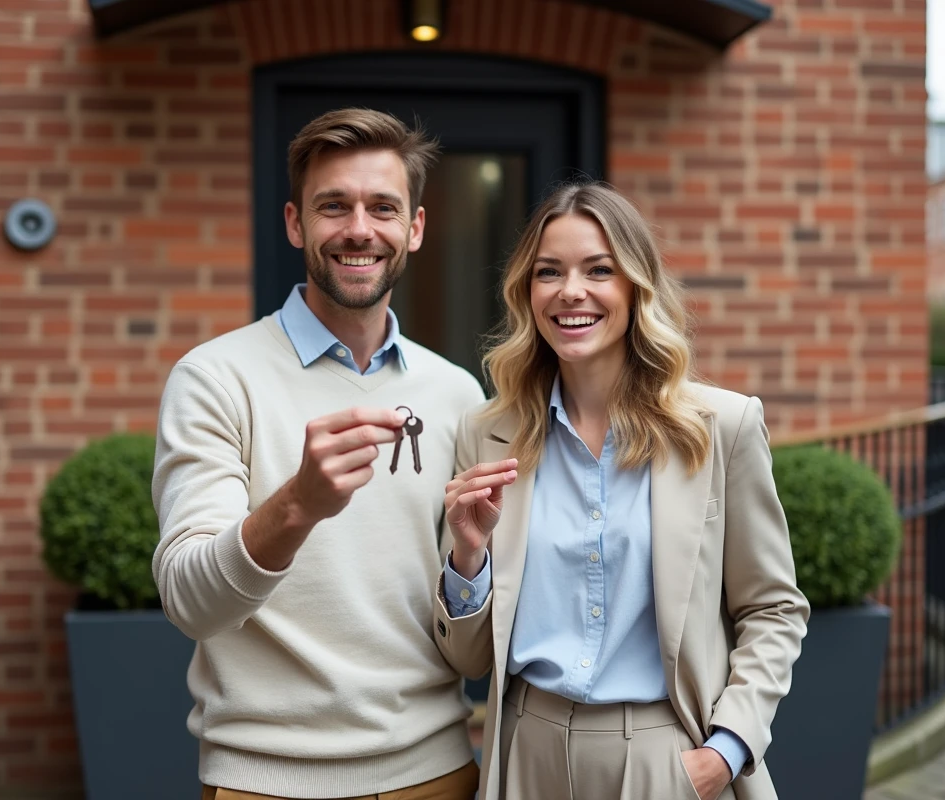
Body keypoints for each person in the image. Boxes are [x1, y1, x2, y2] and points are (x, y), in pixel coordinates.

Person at [431, 182, 810, 800]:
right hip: (526, 755)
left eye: (598, 270)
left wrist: (726, 750)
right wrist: (468, 557)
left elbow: (774, 608)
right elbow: (470, 661)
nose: (570, 291)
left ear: (637, 287)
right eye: (548, 272)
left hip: (667, 757)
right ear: (528, 294)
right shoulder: (488, 435)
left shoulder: (722, 428)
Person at [152, 108, 485, 800]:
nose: (359, 229)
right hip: (265, 780)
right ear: (296, 224)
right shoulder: (215, 378)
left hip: (435, 773)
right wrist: (298, 505)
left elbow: (470, 632)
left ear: (414, 229)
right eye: (334, 206)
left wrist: (469, 565)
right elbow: (189, 601)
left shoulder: (454, 392)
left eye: (383, 208)